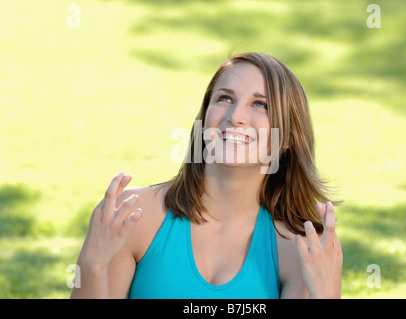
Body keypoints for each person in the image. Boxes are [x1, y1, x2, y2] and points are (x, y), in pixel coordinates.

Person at [70, 52, 343, 299]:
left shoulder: (298, 248)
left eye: (261, 105)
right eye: (225, 98)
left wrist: (326, 294)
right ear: (204, 120)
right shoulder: (133, 215)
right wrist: (92, 264)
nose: (236, 116)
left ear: (288, 139)